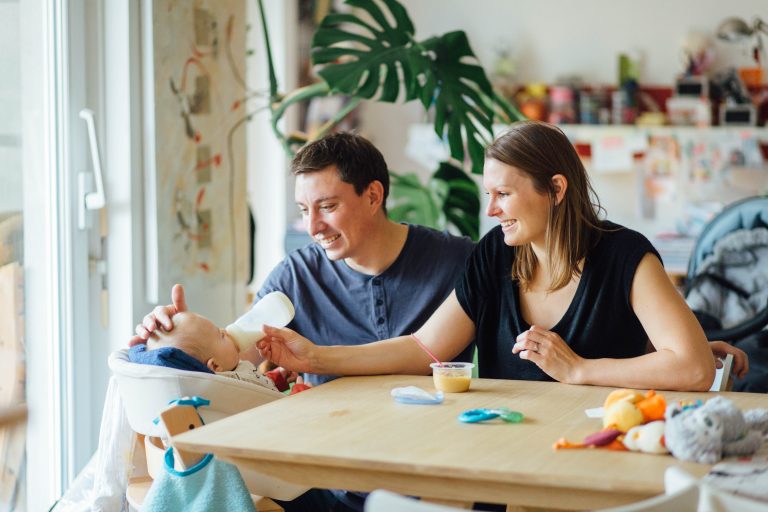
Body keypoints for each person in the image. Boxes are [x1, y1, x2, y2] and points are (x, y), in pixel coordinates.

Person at [256, 121, 748, 391]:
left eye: (504, 195)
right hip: (500, 447)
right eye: (488, 194)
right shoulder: (495, 254)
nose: (491, 210)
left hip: (597, 454)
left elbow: (694, 368)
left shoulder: (625, 256)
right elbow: (424, 348)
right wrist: (316, 356)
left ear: (555, 189)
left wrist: (579, 370)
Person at [131, 132, 477, 387]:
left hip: (430, 459)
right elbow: (228, 359)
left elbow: (433, 352)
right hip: (327, 464)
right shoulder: (295, 278)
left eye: (327, 207)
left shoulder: (459, 262)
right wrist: (165, 345)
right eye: (303, 210)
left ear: (373, 196)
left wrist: (315, 357)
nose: (312, 227)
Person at [131, 310, 309, 394]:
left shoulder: (230, 378)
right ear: (215, 365)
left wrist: (277, 379)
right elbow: (266, 407)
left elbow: (255, 387)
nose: (226, 330)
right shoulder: (228, 392)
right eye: (220, 335)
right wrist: (300, 395)